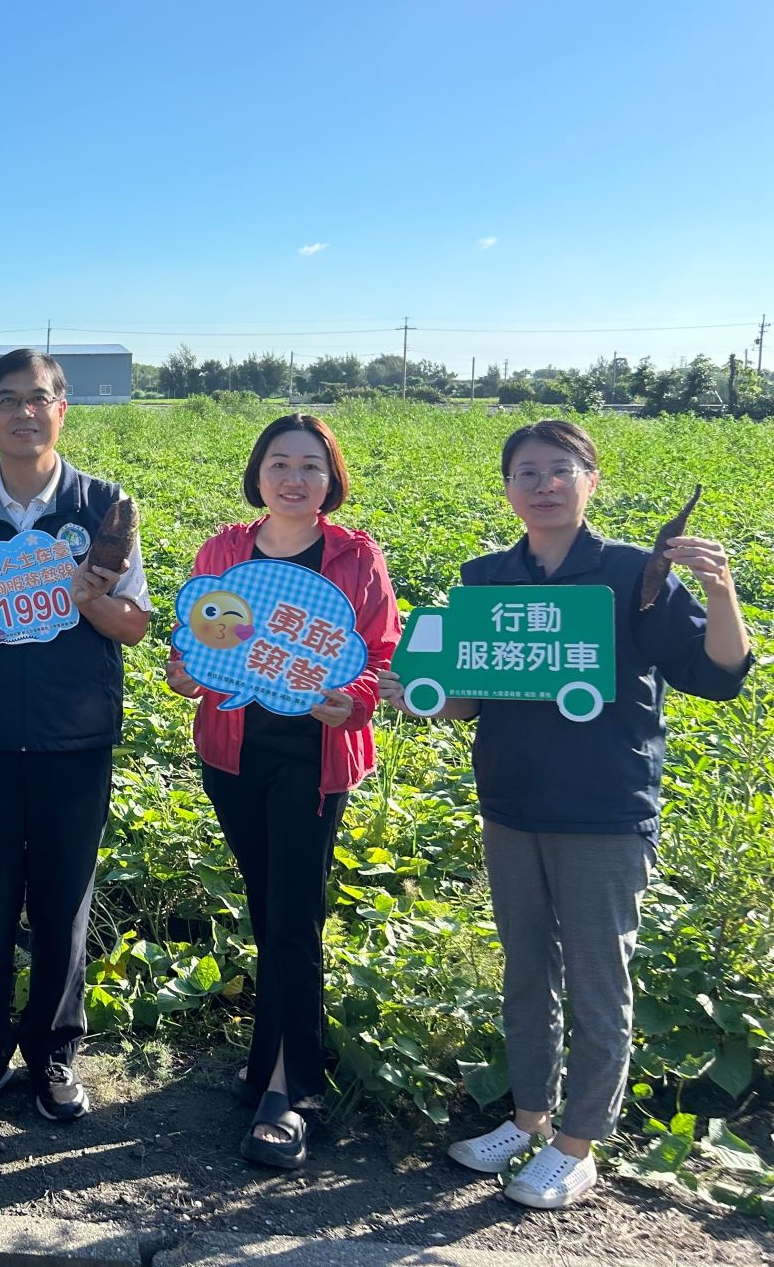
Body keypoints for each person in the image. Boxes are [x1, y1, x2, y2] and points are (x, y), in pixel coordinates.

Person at [380, 419, 750, 1209]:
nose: (543, 484)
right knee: (526, 969)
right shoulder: (485, 576)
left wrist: (720, 592)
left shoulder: (630, 572)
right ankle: (528, 1118)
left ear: (591, 481)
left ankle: (579, 1144)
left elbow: (717, 677)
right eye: (526, 473)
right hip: (512, 805)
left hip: (604, 810)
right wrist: (424, 697)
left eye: (560, 470)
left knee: (595, 978)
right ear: (507, 488)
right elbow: (471, 696)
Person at [0, 348, 151, 1122]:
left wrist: (92, 598)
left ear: (63, 410)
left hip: (73, 736)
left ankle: (53, 1053)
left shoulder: (105, 506)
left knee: (63, 903)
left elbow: (136, 626)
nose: (24, 412)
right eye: (8, 400)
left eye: (39, 398)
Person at [164, 414, 399, 1170]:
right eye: (279, 463)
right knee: (270, 905)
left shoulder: (355, 556)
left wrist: (353, 698)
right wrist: (183, 669)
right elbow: (195, 637)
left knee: (293, 911)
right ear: (258, 473)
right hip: (234, 753)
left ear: (332, 479)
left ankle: (287, 1091)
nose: (294, 478)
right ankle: (287, 1051)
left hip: (314, 754)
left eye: (311, 466)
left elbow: (379, 649)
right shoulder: (225, 549)